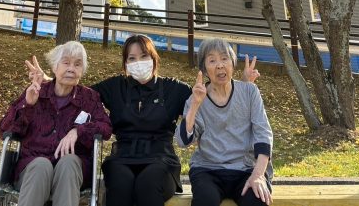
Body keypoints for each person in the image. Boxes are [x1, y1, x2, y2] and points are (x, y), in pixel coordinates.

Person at [27, 34, 260, 206]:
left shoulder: (173, 89)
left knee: (147, 184)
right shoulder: (115, 87)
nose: (138, 61)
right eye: (132, 58)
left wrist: (244, 86)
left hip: (161, 161)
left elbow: (207, 99)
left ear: (154, 58)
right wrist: (50, 78)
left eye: (144, 56)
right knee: (120, 184)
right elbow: (80, 92)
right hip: (123, 158)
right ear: (126, 64)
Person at [0, 41, 112, 206]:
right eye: (66, 63)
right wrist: (28, 105)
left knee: (69, 162)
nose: (71, 68)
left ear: (82, 70)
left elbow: (106, 128)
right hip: (32, 168)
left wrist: (78, 131)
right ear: (54, 67)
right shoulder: (36, 91)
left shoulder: (89, 98)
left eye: (77, 64)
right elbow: (5, 129)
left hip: (71, 172)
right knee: (41, 164)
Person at [175, 38, 273, 206]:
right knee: (205, 201)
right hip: (208, 169)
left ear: (233, 64)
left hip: (246, 168)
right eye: (212, 60)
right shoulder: (197, 98)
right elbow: (183, 141)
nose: (219, 65)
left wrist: (257, 175)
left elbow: (263, 134)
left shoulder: (249, 91)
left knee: (257, 200)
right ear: (204, 69)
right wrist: (195, 105)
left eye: (224, 58)